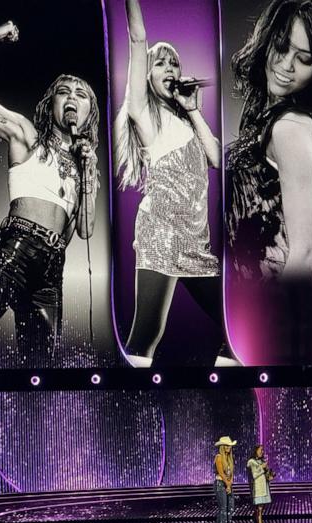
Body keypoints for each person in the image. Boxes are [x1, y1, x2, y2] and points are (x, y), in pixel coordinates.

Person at [225, 0, 312, 361]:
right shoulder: (291, 119)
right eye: (282, 48)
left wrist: (266, 333)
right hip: (299, 304)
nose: (286, 66)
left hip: (297, 314)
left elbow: (305, 253)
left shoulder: (289, 128)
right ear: (267, 41)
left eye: (304, 58)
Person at [114, 0, 228, 368]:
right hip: (161, 229)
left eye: (173, 62)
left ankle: (229, 398)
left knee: (235, 328)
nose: (168, 68)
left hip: (195, 238)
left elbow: (218, 160)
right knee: (146, 334)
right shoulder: (144, 112)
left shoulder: (186, 121)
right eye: (159, 62)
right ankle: (127, 411)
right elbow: (137, 38)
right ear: (147, 74)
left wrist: (193, 109)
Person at [0, 21, 101, 367]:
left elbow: (86, 230)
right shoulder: (28, 136)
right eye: (65, 91)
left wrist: (88, 173)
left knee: (40, 364)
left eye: (82, 94)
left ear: (90, 111)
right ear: (52, 104)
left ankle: (28, 420)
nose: (73, 97)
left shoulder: (83, 165)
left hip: (52, 266)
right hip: (16, 247)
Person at [246, 444, 274, 523]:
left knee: (260, 509)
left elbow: (266, 476)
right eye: (260, 450)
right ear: (255, 451)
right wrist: (262, 467)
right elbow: (254, 474)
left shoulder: (261, 461)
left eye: (262, 450)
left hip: (263, 488)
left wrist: (269, 474)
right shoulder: (251, 462)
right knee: (259, 509)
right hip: (257, 489)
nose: (262, 452)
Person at [214, 436, 237, 523]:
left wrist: (230, 483)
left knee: (230, 508)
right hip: (220, 484)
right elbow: (221, 473)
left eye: (230, 446)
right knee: (223, 509)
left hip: (228, 484)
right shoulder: (219, 457)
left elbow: (231, 473)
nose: (229, 447)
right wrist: (227, 485)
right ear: (222, 447)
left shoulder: (230, 458)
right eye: (227, 445)